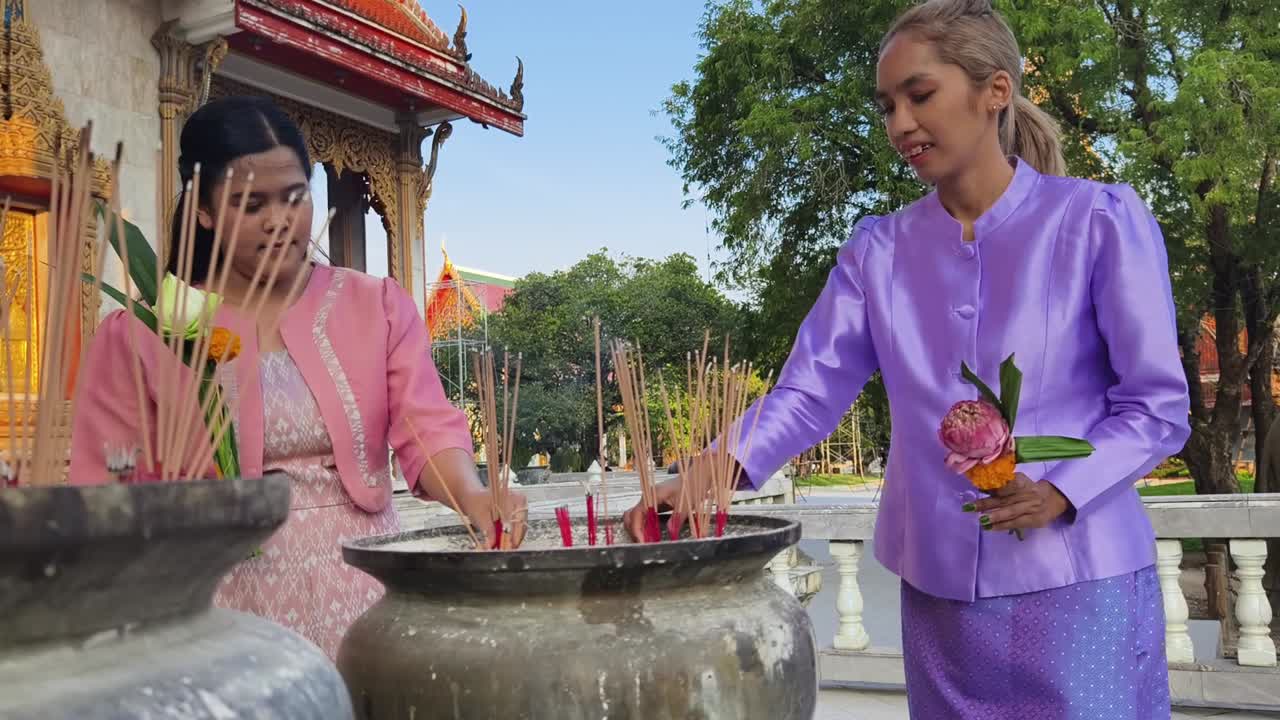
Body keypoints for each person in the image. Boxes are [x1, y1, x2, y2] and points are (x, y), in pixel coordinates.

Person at [626, 1, 1190, 717]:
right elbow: (808, 389)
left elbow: (1156, 407)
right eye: (887, 105)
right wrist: (711, 471)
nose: (899, 124)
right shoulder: (877, 252)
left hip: (1081, 580)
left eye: (919, 95)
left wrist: (1061, 489)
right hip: (938, 587)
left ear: (995, 91)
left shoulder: (1097, 220)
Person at [70, 96, 526, 659]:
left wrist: (474, 496)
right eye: (250, 203)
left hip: (367, 586)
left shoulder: (375, 305)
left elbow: (427, 428)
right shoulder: (145, 332)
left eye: (294, 196)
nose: (280, 221)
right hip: (220, 607)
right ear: (205, 210)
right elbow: (104, 489)